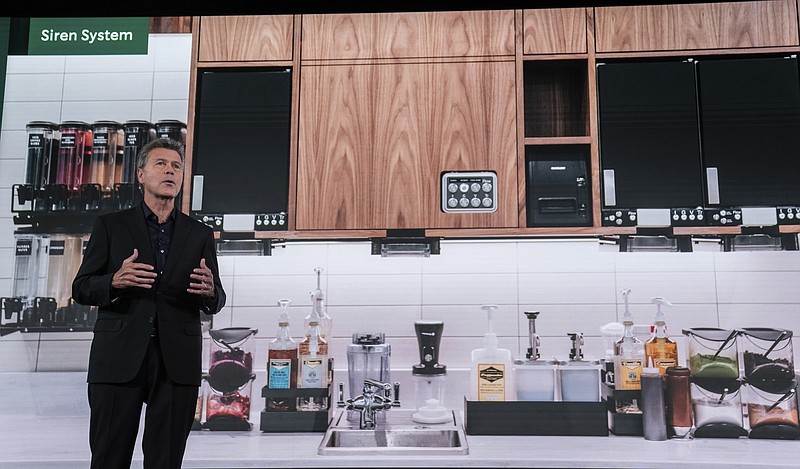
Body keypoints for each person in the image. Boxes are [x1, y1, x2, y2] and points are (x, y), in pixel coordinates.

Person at [72, 137, 226, 468]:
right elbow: (82, 288)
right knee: (108, 457)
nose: (170, 171)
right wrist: (114, 280)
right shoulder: (111, 226)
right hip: (118, 357)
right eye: (160, 164)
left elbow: (216, 299)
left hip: (177, 362)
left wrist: (211, 291)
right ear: (140, 174)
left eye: (176, 166)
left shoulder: (199, 234)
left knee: (166, 460)